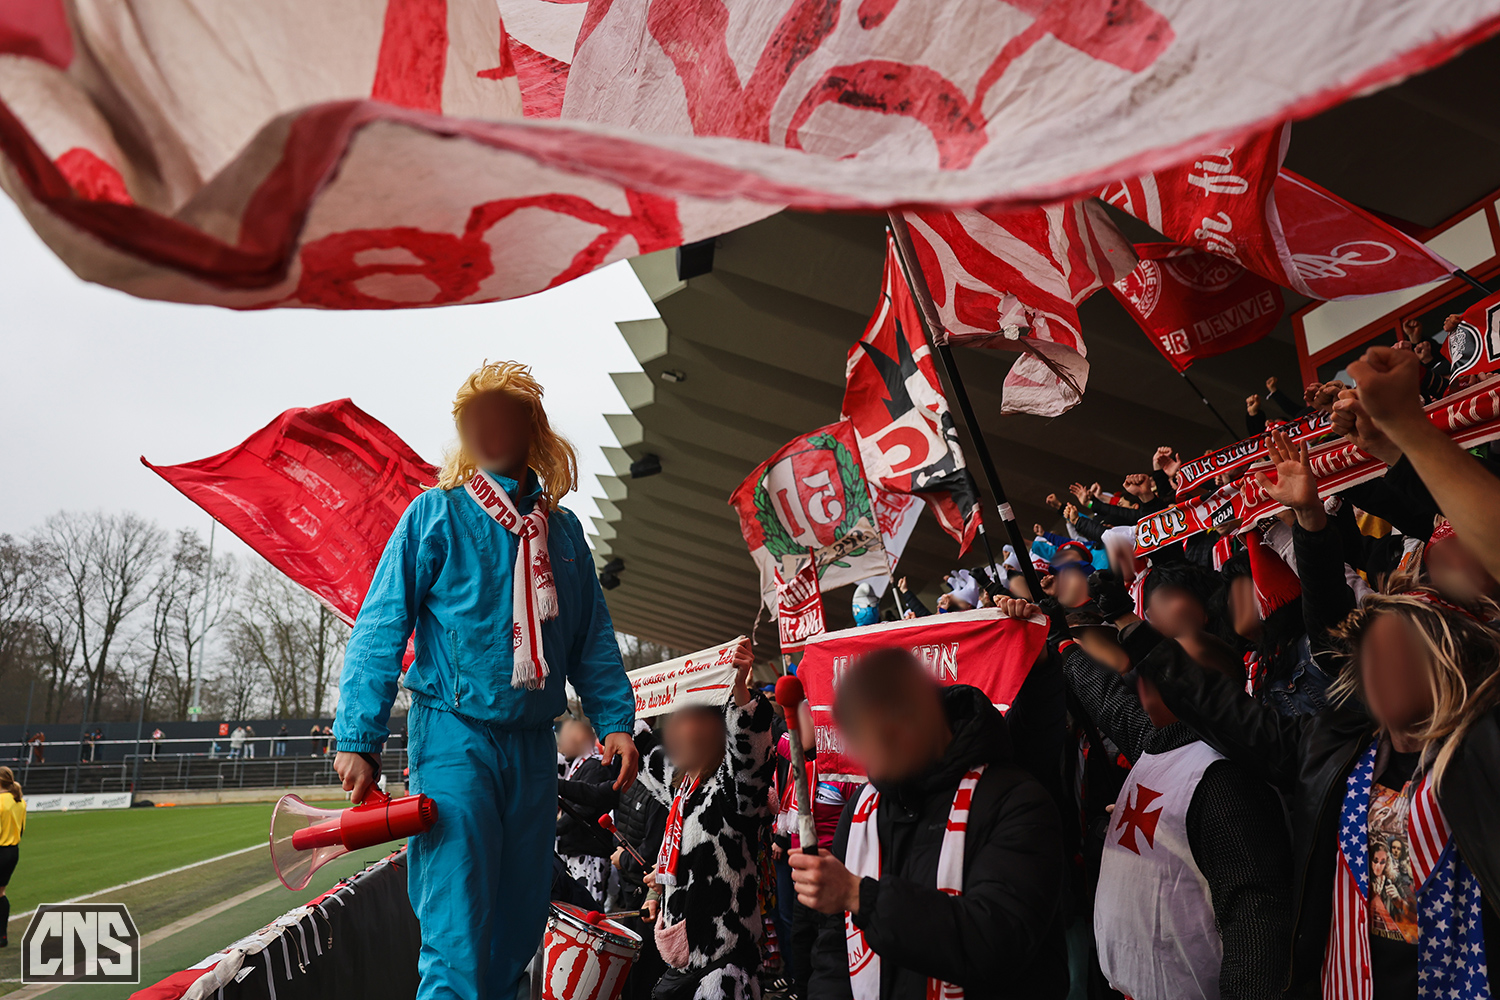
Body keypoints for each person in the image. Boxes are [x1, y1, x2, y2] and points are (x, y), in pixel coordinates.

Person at [333, 360, 638, 1000]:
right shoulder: (434, 514)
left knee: (518, 928)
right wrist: (358, 737)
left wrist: (615, 720)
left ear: (533, 429)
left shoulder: (563, 532)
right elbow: (381, 624)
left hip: (533, 748)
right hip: (454, 739)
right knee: (456, 931)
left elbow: (590, 637)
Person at [1136, 590, 1500, 998]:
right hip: (1350, 983)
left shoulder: (1483, 752)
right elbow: (1235, 718)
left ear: (1444, 661)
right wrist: (1149, 648)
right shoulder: (1335, 747)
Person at [1031, 597, 1295, 1000]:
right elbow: (1107, 700)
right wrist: (1059, 643)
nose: (1145, 675)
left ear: (1202, 689)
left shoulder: (1223, 778)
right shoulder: (1160, 743)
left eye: (1166, 668)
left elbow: (1255, 918)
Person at [795, 648, 1069, 1000]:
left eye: (882, 736)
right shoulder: (862, 809)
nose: (867, 759)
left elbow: (998, 939)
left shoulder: (1016, 800)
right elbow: (836, 949)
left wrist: (859, 896)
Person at [635, 638, 771, 1000]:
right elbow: (643, 753)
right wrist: (618, 706)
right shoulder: (683, 786)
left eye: (693, 721)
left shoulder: (733, 792)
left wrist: (739, 690)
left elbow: (751, 758)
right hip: (682, 966)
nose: (679, 730)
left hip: (723, 971)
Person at [556, 717, 620, 906]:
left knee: (586, 908)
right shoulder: (580, 766)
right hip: (575, 849)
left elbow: (584, 807)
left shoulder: (595, 766)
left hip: (588, 853)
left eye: (565, 740)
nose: (561, 746)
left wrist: (555, 829)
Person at [0, 767, 24, 947]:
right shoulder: (19, 801)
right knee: (1, 893)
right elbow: (21, 829)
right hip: (12, 851)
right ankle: (2, 936)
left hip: (1, 849)